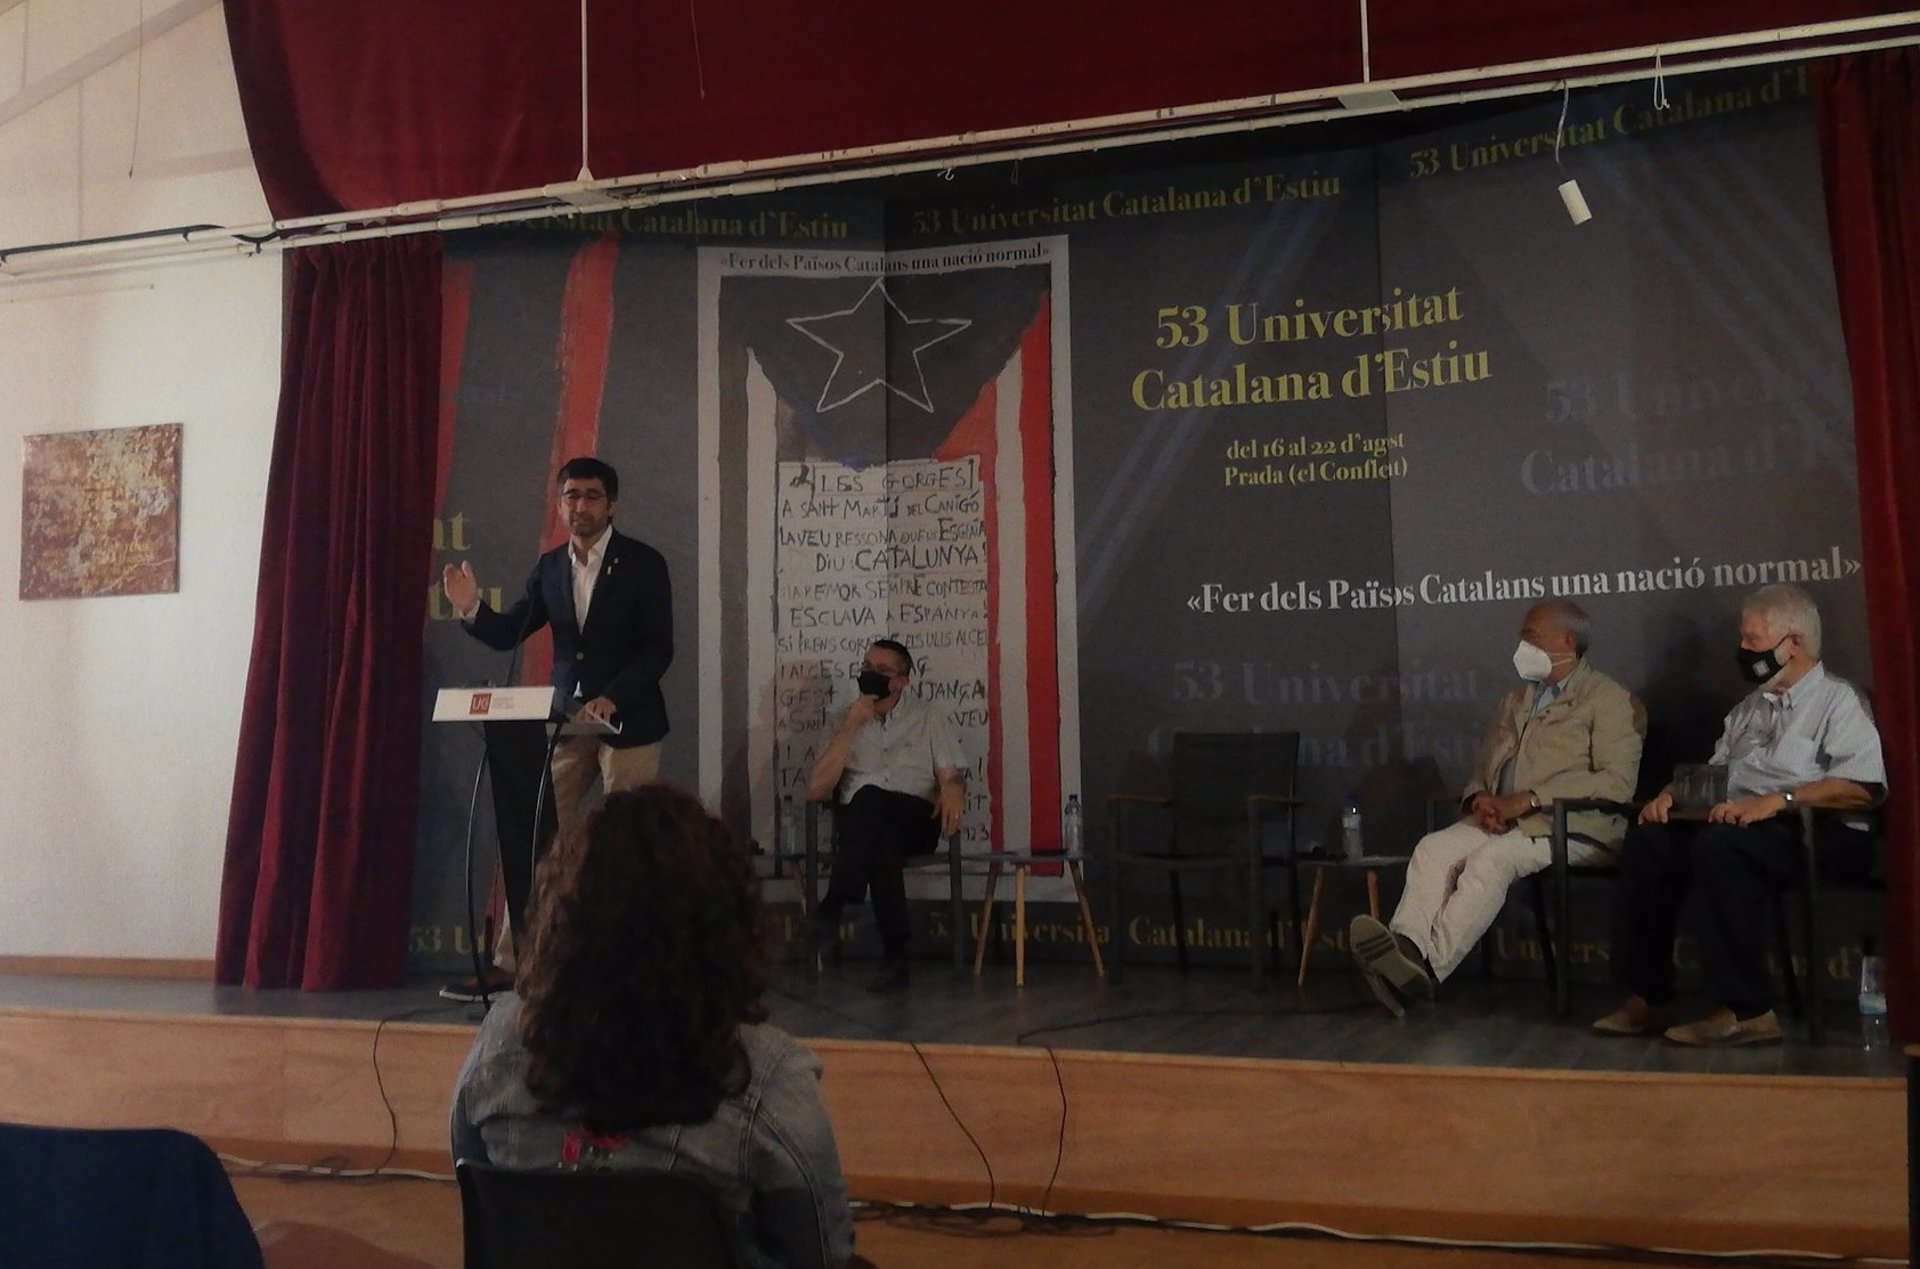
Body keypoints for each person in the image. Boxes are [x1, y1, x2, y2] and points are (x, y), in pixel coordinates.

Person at [450, 785, 857, 1269]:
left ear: (563, 915)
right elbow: (823, 1253)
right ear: (724, 919)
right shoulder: (765, 1076)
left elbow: (476, 1184)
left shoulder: (501, 1040)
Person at [1594, 583, 1884, 1046]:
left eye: (1752, 639)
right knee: (1652, 840)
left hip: (1819, 830)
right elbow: (1715, 775)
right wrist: (1672, 794)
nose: (1742, 650)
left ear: (1793, 643)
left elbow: (1861, 788)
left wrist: (1780, 800)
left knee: (1722, 847)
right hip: (1740, 821)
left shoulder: (1840, 701)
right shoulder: (1749, 709)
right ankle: (1646, 995)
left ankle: (1747, 1010)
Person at [441, 456, 673, 999]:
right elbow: (510, 631)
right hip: (567, 725)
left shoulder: (643, 563)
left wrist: (614, 696)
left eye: (591, 496)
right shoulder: (550, 567)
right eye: (571, 496)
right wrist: (472, 608)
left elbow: (658, 647)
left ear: (612, 506)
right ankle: (516, 960)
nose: (580, 505)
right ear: (560, 503)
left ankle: (637, 965)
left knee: (628, 844)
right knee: (538, 841)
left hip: (629, 723)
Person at [1351, 601, 1643, 1014]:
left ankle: (1425, 970)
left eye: (1532, 636)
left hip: (1570, 826)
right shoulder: (1516, 699)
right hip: (1502, 821)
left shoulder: (1609, 700)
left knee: (1490, 862)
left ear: (1568, 641)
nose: (1523, 645)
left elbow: (1617, 782)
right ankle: (1407, 950)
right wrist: (1481, 799)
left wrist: (1530, 799)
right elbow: (1485, 764)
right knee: (1432, 849)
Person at [803, 639, 966, 993]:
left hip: (915, 818)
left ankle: (837, 900)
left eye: (881, 670)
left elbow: (951, 775)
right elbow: (815, 790)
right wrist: (851, 727)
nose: (869, 674)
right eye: (866, 667)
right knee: (880, 837)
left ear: (901, 682)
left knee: (870, 800)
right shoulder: (842, 719)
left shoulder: (929, 717)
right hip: (863, 827)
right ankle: (896, 956)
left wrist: (954, 787)